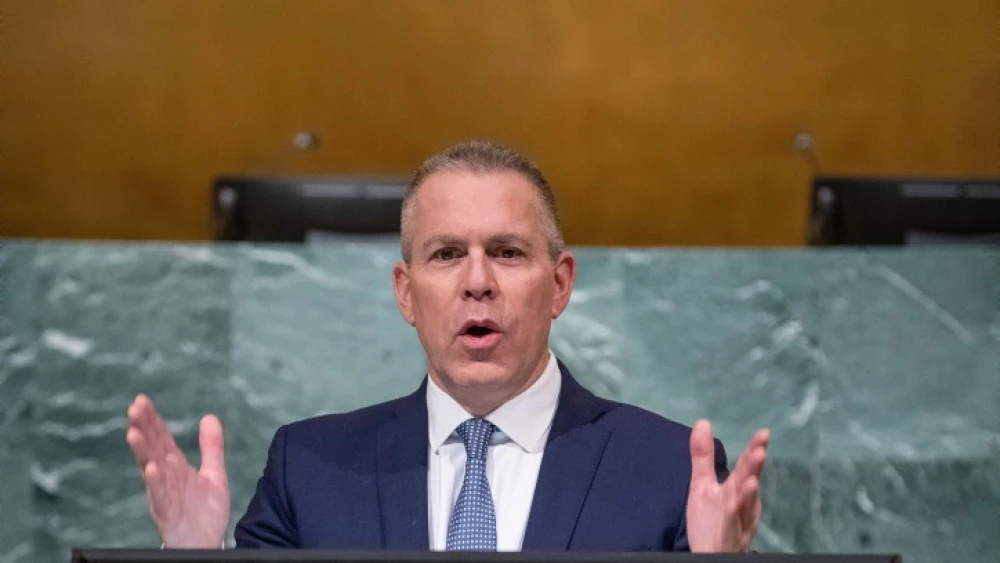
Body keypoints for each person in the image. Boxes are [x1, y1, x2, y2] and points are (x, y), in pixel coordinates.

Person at [126, 141, 770, 552]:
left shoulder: (664, 470)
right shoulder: (312, 469)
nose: (478, 282)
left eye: (508, 253)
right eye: (447, 254)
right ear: (406, 293)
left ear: (560, 284)